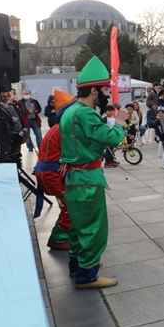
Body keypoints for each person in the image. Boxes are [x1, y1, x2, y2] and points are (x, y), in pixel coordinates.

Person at [59, 56, 125, 289]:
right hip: (86, 179)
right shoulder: (86, 114)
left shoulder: (71, 110)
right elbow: (109, 138)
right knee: (94, 227)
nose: (107, 93)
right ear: (95, 90)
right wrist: (119, 123)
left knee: (78, 226)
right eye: (105, 89)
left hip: (74, 177)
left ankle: (78, 266)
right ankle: (88, 275)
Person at [37, 90, 76, 251]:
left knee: (68, 205)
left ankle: (62, 235)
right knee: (70, 206)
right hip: (51, 174)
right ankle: (58, 239)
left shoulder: (57, 128)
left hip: (49, 173)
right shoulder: (63, 130)